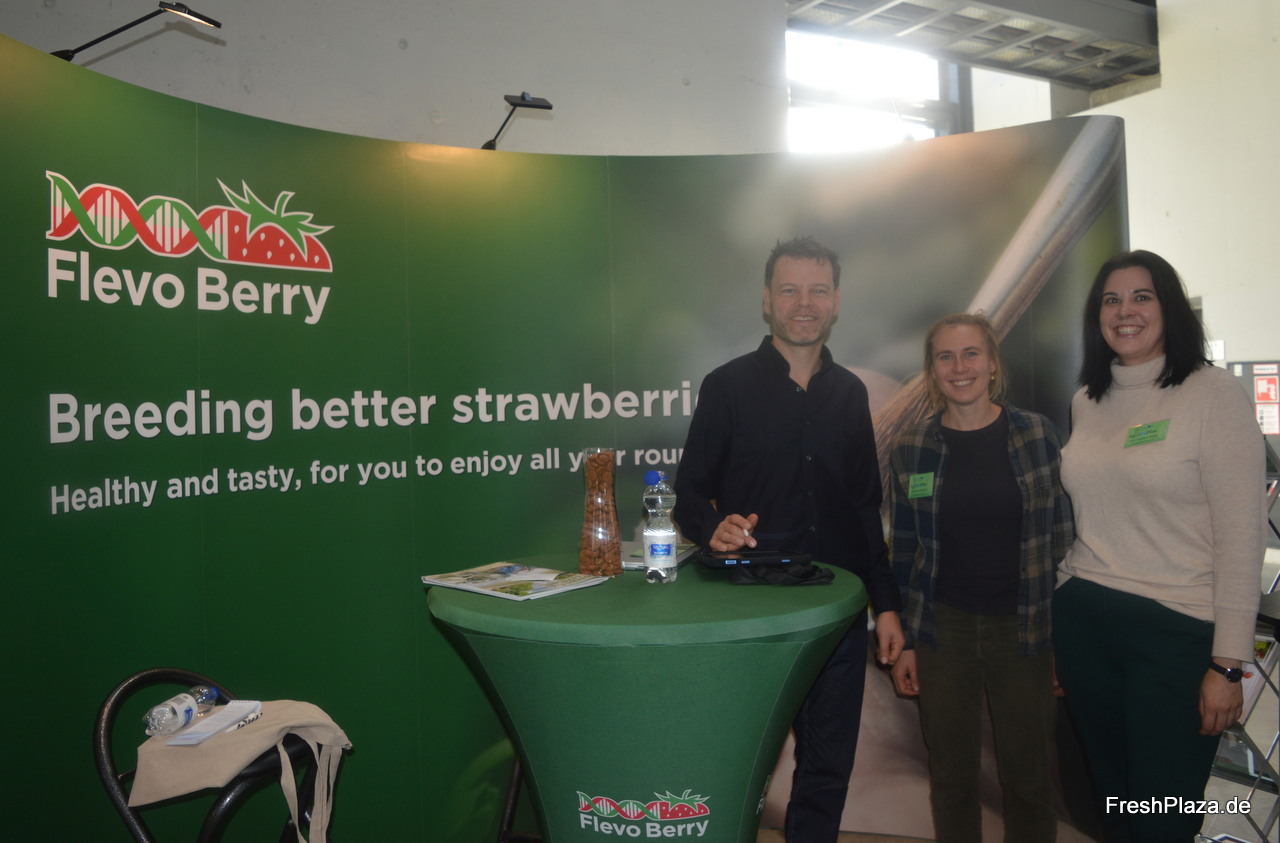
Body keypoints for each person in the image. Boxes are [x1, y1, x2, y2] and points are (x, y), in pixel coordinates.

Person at [673, 235, 904, 842]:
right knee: (739, 764)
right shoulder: (726, 386)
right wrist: (713, 527)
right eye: (790, 290)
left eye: (818, 290)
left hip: (837, 610)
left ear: (836, 302)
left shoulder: (851, 394)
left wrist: (886, 605)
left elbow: (864, 508)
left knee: (828, 767)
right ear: (767, 301)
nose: (805, 303)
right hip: (753, 611)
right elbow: (688, 492)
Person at [1053, 250, 1266, 843]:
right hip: (1084, 622)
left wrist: (1229, 663)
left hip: (1175, 632)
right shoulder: (1086, 400)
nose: (1125, 311)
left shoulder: (1214, 395)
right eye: (1111, 300)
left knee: (1163, 815)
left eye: (1141, 297)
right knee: (1116, 804)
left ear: (1169, 307)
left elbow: (1242, 535)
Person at [887, 312, 1072, 843]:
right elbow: (904, 548)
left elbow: (1063, 539)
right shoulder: (912, 447)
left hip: (1025, 628)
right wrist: (907, 642)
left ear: (992, 364)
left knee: (1029, 778)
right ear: (932, 371)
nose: (959, 367)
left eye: (971, 354)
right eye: (945, 357)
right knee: (951, 777)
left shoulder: (1036, 434)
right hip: (943, 630)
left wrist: (1065, 640)